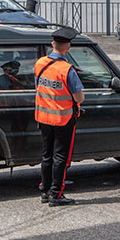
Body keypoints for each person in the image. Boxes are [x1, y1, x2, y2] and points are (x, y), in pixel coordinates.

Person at [34, 27, 85, 206]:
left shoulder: (40, 63)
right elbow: (79, 97)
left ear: (52, 44)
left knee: (46, 155)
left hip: (43, 117)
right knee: (61, 158)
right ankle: (56, 194)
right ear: (68, 47)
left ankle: (45, 190)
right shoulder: (67, 69)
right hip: (63, 119)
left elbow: (39, 86)